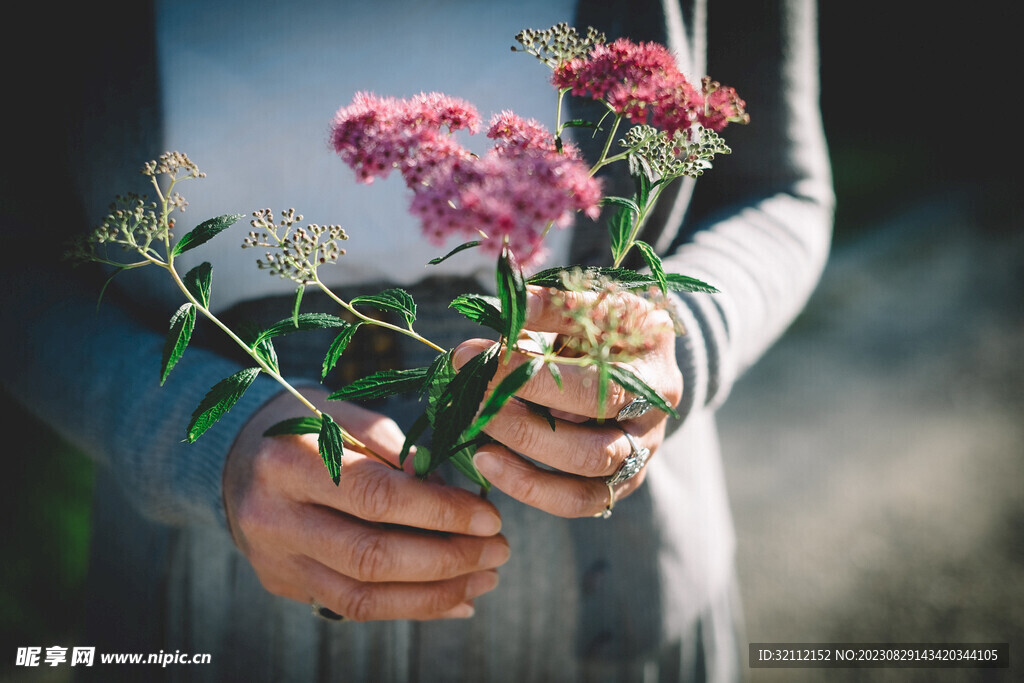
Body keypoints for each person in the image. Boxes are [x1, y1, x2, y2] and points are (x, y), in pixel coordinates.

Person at [1, 0, 832, 680]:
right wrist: (202, 437)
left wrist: (667, 347)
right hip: (201, 610)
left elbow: (783, 189)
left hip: (614, 599)